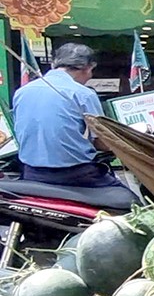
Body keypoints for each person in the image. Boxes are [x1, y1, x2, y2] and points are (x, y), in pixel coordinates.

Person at [12, 42, 133, 195]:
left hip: (31, 173)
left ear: (54, 64)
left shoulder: (22, 92)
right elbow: (102, 141)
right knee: (129, 201)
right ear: (88, 68)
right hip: (75, 175)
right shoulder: (83, 94)